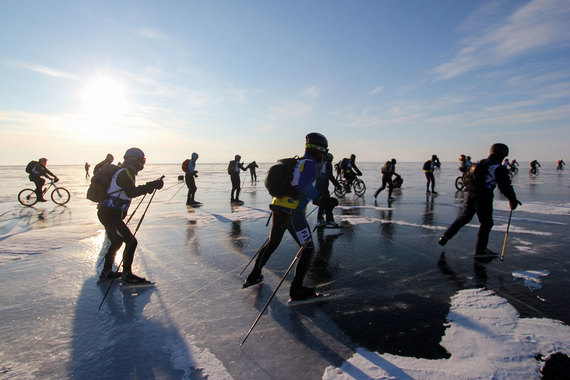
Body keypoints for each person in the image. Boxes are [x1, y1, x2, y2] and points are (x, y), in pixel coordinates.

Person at [243, 132, 327, 301]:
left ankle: (253, 276)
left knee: (272, 242)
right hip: (292, 212)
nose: (323, 155)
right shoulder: (310, 164)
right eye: (323, 152)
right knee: (307, 248)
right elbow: (303, 188)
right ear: (318, 150)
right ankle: (297, 290)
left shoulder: (298, 162)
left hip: (278, 207)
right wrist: (321, 199)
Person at [438, 143, 522, 257]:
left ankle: (445, 236)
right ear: (503, 154)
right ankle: (480, 250)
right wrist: (513, 199)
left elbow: (466, 176)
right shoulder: (498, 167)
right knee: (486, 223)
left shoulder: (478, 162)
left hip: (470, 193)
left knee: (464, 218)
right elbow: (505, 186)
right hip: (484, 196)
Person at [97, 148, 164, 283]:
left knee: (117, 241)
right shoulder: (124, 173)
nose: (142, 164)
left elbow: (129, 191)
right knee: (131, 241)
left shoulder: (125, 172)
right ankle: (127, 275)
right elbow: (131, 192)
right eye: (141, 161)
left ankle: (107, 271)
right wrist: (151, 185)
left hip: (108, 213)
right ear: (133, 160)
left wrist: (150, 186)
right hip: (110, 214)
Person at [316, 153, 341, 228]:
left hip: (317, 186)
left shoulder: (319, 163)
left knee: (323, 203)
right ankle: (327, 220)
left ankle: (321, 220)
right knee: (328, 203)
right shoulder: (328, 164)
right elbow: (330, 176)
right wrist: (337, 185)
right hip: (323, 187)